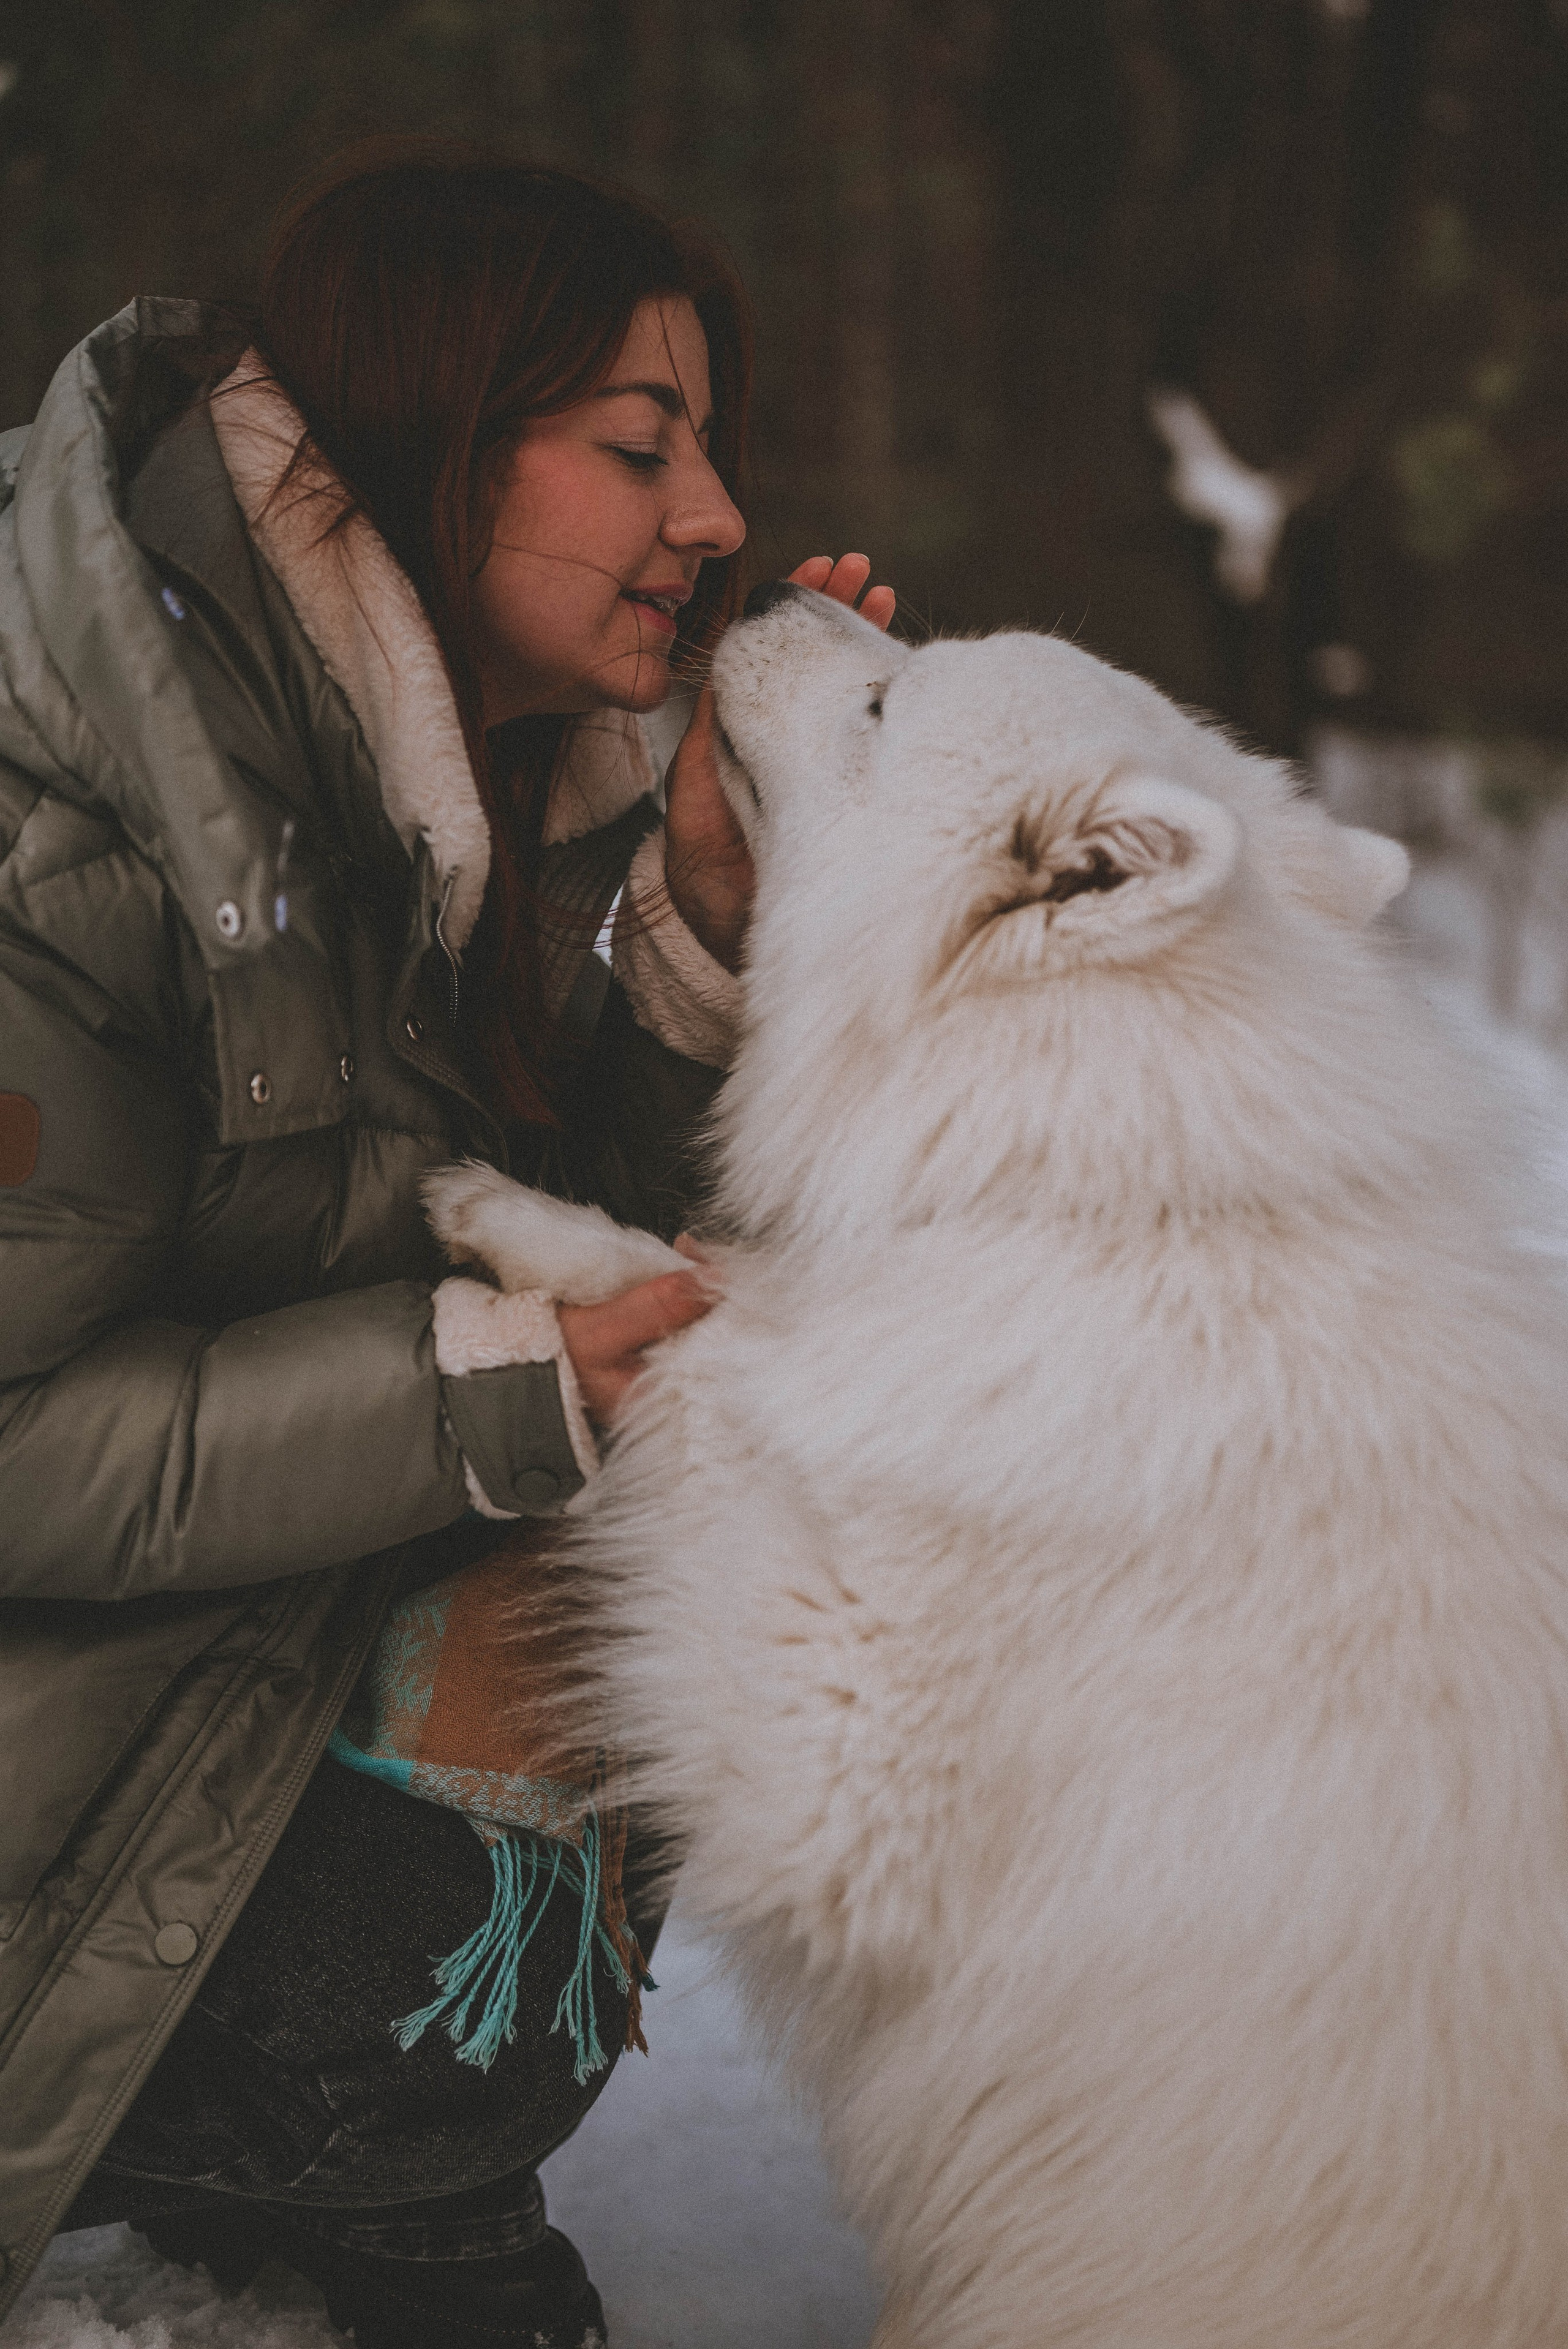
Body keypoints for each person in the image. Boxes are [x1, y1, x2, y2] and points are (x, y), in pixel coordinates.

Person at [0, 140, 892, 2348]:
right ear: (431, 432)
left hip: (171, 1711)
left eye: (712, 448)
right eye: (636, 443)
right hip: (61, 1807)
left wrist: (696, 927)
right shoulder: (84, 830)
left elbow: (454, 1220)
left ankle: (361, 2188)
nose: (714, 516)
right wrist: (488, 1393)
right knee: (562, 1577)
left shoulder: (386, 776)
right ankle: (244, 2195)